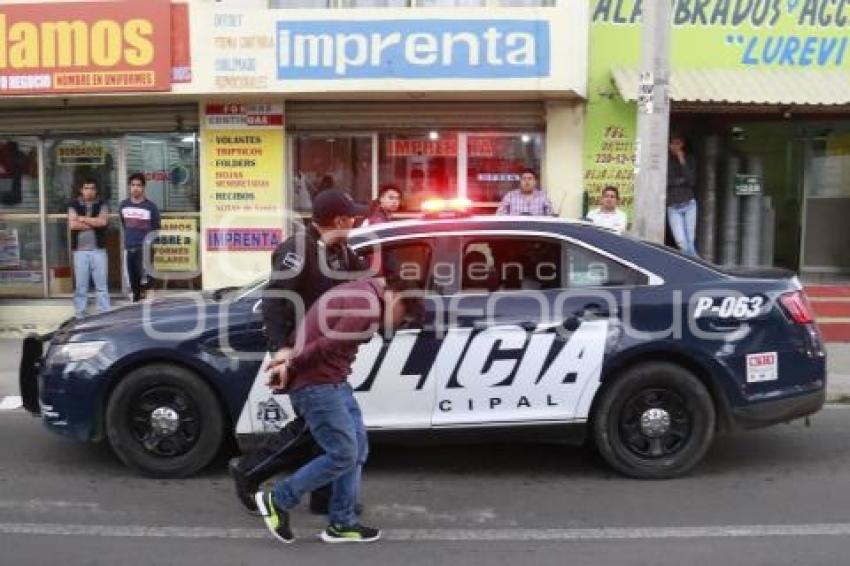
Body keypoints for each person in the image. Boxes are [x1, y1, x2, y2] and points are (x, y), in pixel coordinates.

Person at [229, 188, 369, 515]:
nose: (356, 222)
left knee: (320, 426)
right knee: (319, 426)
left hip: (323, 351)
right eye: (352, 217)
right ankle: (250, 472)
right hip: (301, 352)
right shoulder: (299, 250)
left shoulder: (340, 250)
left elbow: (363, 278)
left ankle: (323, 496)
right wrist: (281, 351)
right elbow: (276, 302)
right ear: (340, 219)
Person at [255, 275, 421, 544]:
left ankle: (342, 523)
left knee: (357, 448)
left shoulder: (365, 290)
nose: (398, 327)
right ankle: (278, 499)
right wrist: (290, 364)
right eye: (402, 320)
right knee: (343, 453)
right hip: (317, 385)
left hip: (332, 382)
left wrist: (290, 359)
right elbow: (326, 345)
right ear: (397, 301)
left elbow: (324, 337)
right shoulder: (366, 309)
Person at [68, 178, 110, 317]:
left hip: (99, 250)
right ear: (81, 189)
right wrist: (94, 222)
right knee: (81, 286)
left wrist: (83, 218)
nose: (89, 191)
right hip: (80, 252)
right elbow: (73, 225)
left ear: (96, 190)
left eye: (92, 188)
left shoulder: (102, 204)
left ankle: (104, 314)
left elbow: (103, 222)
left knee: (101, 286)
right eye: (86, 188)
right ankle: (80, 314)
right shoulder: (73, 204)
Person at [119, 173, 161, 302]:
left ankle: (150, 314)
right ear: (129, 187)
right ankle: (135, 313)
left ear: (143, 188)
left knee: (148, 285)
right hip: (129, 249)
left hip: (145, 251)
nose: (135, 188)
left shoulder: (151, 207)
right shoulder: (123, 205)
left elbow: (156, 230)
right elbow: (124, 224)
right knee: (133, 285)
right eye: (133, 185)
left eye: (138, 185)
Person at [666, 132, 698, 256]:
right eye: (673, 143)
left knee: (690, 240)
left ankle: (695, 267)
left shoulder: (689, 159)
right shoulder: (666, 160)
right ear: (669, 145)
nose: (675, 147)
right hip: (673, 206)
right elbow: (666, 182)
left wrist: (682, 161)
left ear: (682, 144)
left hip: (689, 203)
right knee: (681, 243)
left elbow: (691, 181)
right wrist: (681, 181)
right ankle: (699, 266)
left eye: (678, 143)